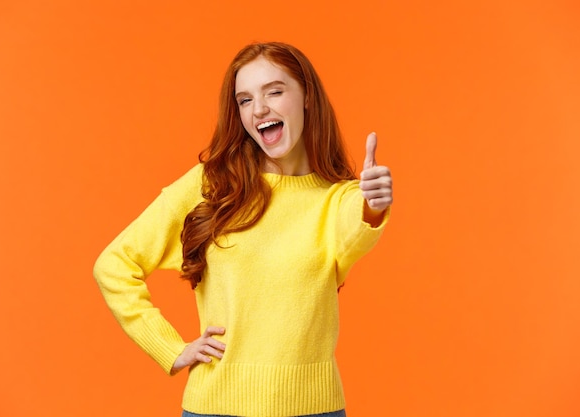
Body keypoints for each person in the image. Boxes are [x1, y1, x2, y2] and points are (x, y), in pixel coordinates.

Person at [93, 42, 393, 417]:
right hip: (215, 408)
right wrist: (169, 348)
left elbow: (356, 226)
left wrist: (372, 202)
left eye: (275, 91)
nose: (260, 108)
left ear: (307, 98)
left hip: (313, 409)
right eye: (245, 99)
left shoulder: (337, 199)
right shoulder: (209, 186)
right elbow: (114, 265)